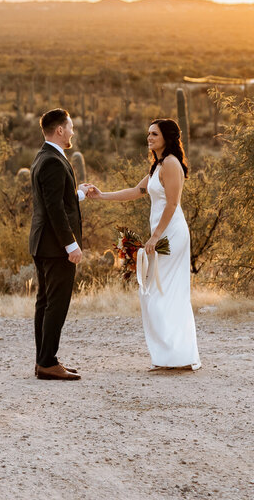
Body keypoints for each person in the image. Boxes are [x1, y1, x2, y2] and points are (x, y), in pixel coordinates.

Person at [88, 119, 201, 371]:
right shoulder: (158, 166)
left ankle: (177, 356)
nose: (149, 138)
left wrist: (155, 236)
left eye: (154, 134)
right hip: (161, 234)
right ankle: (171, 356)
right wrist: (101, 195)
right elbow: (135, 191)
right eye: (148, 133)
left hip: (170, 235)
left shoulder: (171, 163)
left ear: (167, 137)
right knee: (156, 291)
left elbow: (172, 204)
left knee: (162, 291)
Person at [29, 108, 95, 381]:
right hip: (55, 246)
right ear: (59, 130)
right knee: (55, 303)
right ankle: (47, 362)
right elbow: (54, 209)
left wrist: (78, 194)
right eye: (69, 127)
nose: (72, 132)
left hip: (42, 242)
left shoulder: (44, 156)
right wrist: (71, 245)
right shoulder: (54, 161)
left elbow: (56, 199)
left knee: (45, 302)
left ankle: (44, 360)